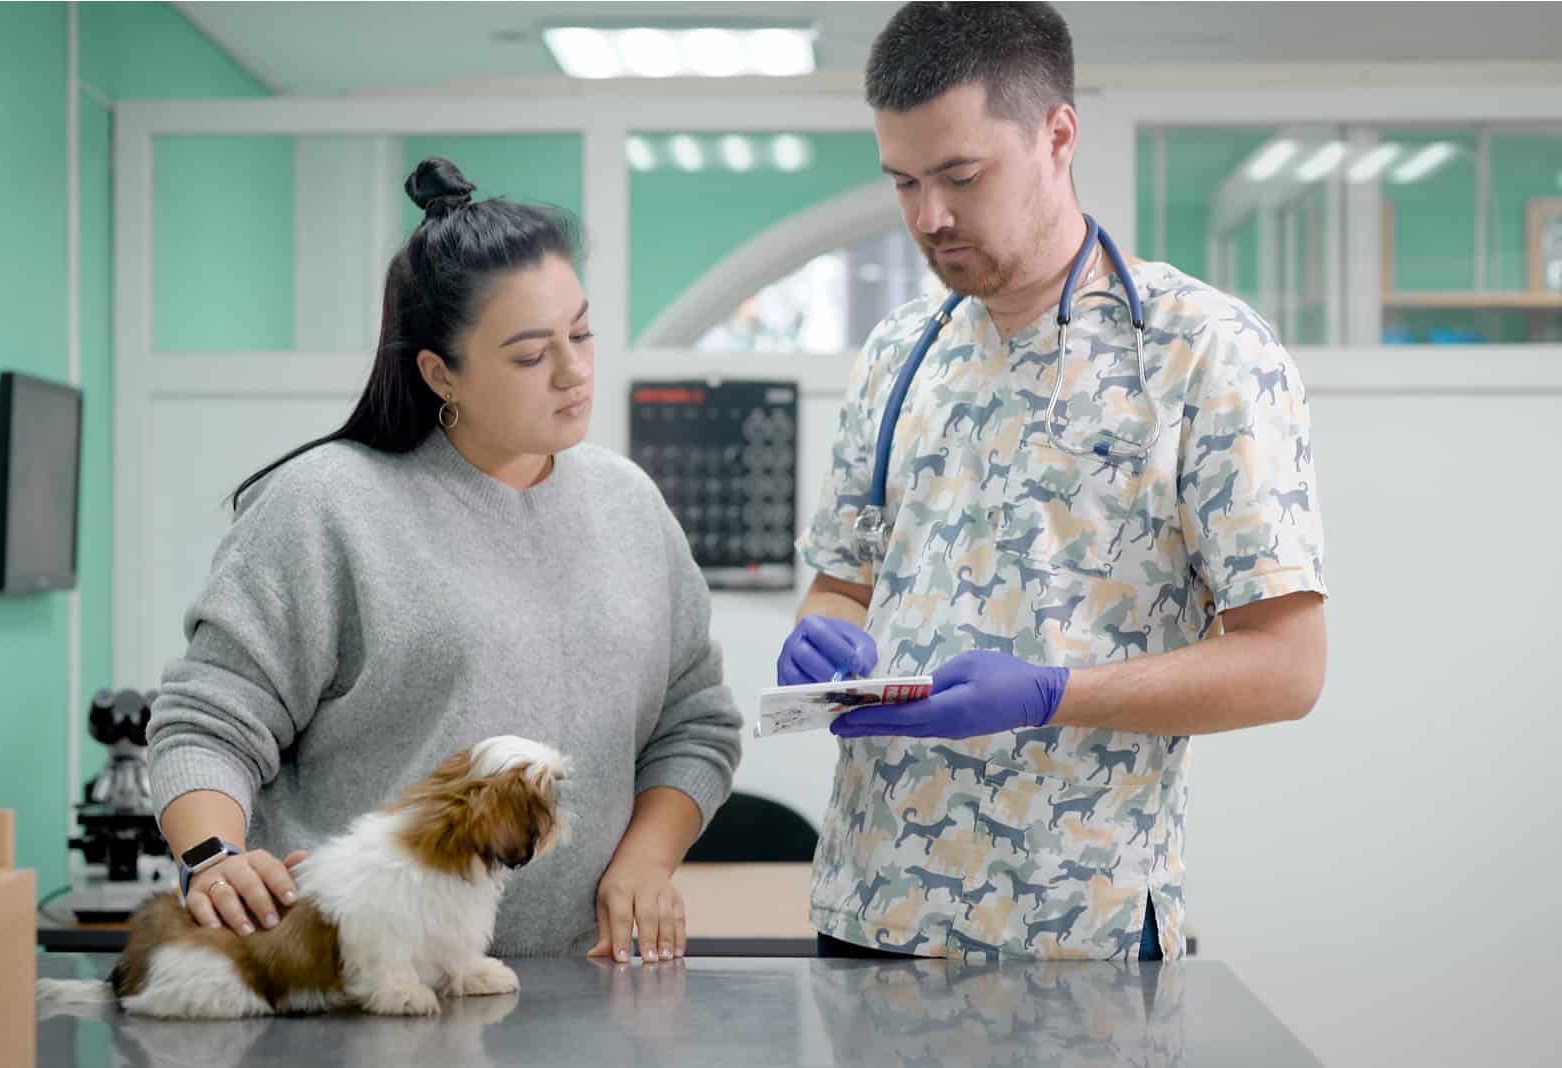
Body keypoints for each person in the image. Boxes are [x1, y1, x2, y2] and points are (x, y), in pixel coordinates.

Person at [779, 2, 1327, 961]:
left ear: (1057, 135)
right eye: (904, 182)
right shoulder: (900, 353)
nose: (928, 217)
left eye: (960, 175)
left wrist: (1051, 692)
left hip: (1077, 933)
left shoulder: (1202, 351)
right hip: (870, 915)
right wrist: (823, 640)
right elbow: (844, 582)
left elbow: (1288, 667)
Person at [147, 157, 743, 964]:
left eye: (583, 331)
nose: (574, 371)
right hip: (350, 984)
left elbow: (696, 721)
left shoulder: (630, 505)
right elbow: (209, 719)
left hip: (577, 983)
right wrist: (213, 857)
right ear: (439, 372)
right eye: (532, 354)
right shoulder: (327, 505)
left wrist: (646, 860)